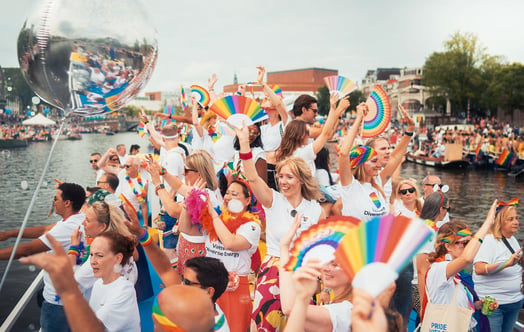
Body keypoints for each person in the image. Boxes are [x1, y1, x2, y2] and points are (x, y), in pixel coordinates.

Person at [236, 123, 324, 332]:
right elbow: (251, 177)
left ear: (301, 180)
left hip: (303, 273)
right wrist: (244, 144)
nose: (283, 182)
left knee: (300, 326)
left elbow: (321, 249)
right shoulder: (273, 200)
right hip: (272, 273)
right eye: (281, 176)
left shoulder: (316, 210)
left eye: (289, 177)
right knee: (267, 324)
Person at [0, 183, 86, 332]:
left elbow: (27, 249)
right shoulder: (79, 218)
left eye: (55, 198)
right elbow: (45, 229)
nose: (53, 201)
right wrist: (10, 234)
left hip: (59, 302)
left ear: (67, 203)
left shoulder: (66, 227)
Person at [179, 180, 261, 332]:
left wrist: (213, 214)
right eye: (227, 193)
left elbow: (230, 243)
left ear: (248, 200)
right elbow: (185, 228)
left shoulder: (252, 226)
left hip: (235, 288)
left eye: (234, 194)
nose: (228, 197)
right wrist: (187, 202)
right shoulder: (215, 219)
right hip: (210, 285)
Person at [423, 200, 500, 331]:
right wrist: (488, 223)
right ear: (448, 246)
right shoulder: (438, 269)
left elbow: (457, 303)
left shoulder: (458, 273)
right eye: (464, 243)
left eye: (468, 243)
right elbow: (467, 258)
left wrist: (479, 305)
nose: (468, 247)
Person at [20, 234, 105, 332]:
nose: (84, 222)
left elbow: (71, 279)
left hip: (60, 304)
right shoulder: (96, 242)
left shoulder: (100, 253)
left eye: (88, 220)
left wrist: (74, 248)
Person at [473, 199, 523, 332]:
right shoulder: (489, 241)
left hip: (514, 302)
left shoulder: (512, 240)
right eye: (510, 219)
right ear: (500, 221)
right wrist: (506, 264)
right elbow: (479, 269)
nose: (516, 222)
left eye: (517, 218)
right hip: (494, 305)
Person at [338, 103, 389, 221]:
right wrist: (359, 118)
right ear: (361, 164)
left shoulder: (377, 187)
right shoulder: (350, 187)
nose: (379, 165)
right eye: (374, 161)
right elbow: (344, 153)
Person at [276, 95, 349, 177]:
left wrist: (338, 115)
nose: (316, 114)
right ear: (304, 109)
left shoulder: (290, 147)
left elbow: (328, 134)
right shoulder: (302, 150)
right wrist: (336, 109)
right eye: (314, 111)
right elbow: (325, 133)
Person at [88, 231, 140, 331]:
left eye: (99, 255)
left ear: (117, 259)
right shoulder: (98, 284)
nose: (92, 261)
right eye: (91, 255)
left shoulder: (125, 291)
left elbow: (92, 326)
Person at [256, 66, 290, 190]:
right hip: (261, 169)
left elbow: (279, 103)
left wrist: (262, 83)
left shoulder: (284, 124)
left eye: (268, 98)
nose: (265, 99)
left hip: (277, 171)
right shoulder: (263, 128)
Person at [115, 155, 150, 226]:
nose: (125, 168)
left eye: (127, 166)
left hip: (130, 214)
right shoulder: (122, 173)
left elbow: (144, 205)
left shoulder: (143, 184)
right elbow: (102, 166)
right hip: (117, 209)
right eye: (124, 166)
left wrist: (145, 224)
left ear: (136, 167)